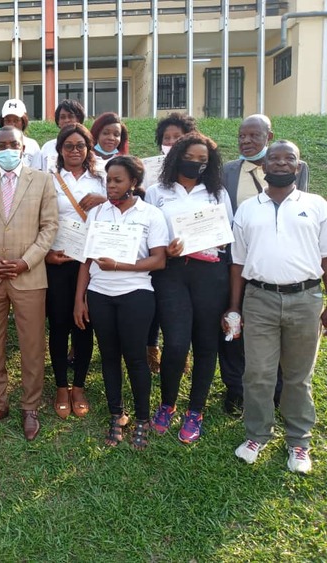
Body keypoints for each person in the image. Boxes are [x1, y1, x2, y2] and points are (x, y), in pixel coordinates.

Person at [228, 140, 325, 474]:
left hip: (306, 299)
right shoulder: (247, 209)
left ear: (298, 166)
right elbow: (237, 263)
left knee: (298, 376)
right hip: (259, 299)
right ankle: (257, 435)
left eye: (289, 158)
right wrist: (234, 307)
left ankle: (299, 441)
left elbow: (326, 257)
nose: (281, 163)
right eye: (275, 158)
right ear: (265, 165)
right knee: (258, 373)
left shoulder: (316, 205)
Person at [0, 125, 59, 441]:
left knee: (32, 345)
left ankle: (30, 406)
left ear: (23, 147)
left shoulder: (42, 181)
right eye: (1, 144)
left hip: (28, 275)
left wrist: (25, 261)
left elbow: (49, 227)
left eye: (12, 144)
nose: (6, 149)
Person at [74, 156, 168, 449]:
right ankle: (117, 414)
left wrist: (119, 266)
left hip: (136, 293)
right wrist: (79, 299)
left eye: (118, 180)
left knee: (136, 358)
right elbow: (86, 261)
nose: (111, 185)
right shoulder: (98, 213)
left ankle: (142, 418)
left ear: (134, 183)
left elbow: (159, 260)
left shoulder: (151, 214)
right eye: (108, 180)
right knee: (109, 356)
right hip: (100, 294)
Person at [219, 114, 310, 414]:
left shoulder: (295, 167)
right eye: (241, 136)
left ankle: (278, 391)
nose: (245, 141)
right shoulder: (228, 171)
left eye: (254, 136)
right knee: (234, 324)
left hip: (277, 265)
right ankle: (235, 388)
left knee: (278, 334)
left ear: (268, 137)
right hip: (237, 260)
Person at [145, 132, 232, 444]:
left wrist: (217, 238)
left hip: (211, 274)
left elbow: (227, 235)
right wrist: (164, 249)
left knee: (206, 343)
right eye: (189, 157)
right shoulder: (157, 192)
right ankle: (167, 404)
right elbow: (148, 235)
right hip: (172, 273)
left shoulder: (217, 192)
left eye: (202, 160)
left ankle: (195, 410)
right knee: (176, 343)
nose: (195, 163)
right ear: (176, 157)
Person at [46, 124, 106, 419]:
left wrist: (103, 199)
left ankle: (78, 386)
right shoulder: (49, 179)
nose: (74, 151)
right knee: (58, 324)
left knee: (85, 323)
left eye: (80, 145)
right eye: (68, 146)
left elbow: (122, 203)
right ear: (59, 149)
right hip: (58, 261)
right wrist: (46, 254)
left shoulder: (101, 178)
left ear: (88, 148)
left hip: (91, 262)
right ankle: (61, 386)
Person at [142, 113, 198, 372]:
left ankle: (179, 351)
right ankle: (151, 347)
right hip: (157, 250)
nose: (172, 142)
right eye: (167, 138)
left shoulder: (199, 171)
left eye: (178, 137)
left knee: (180, 310)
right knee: (154, 302)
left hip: (193, 255)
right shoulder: (150, 169)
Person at [31, 99, 86, 173]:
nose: (66, 120)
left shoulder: (86, 146)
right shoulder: (47, 148)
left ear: (79, 120)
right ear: (58, 122)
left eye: (70, 116)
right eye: (63, 117)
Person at [0, 98, 40, 167]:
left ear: (23, 122)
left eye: (16, 120)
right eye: (8, 121)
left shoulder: (32, 146)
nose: (12, 124)